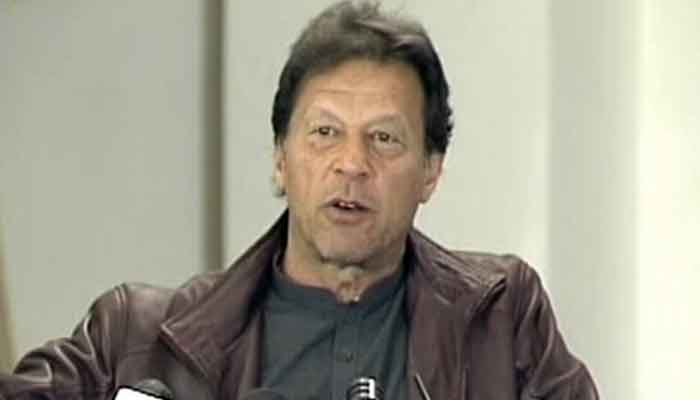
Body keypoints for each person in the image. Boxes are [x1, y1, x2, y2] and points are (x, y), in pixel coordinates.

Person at [0, 1, 598, 399]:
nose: (352, 163)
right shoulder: (135, 341)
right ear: (281, 159)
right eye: (325, 132)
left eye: (384, 139)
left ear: (430, 173)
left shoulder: (500, 320)